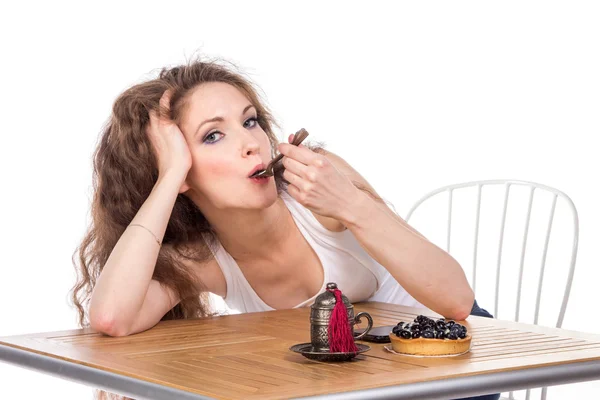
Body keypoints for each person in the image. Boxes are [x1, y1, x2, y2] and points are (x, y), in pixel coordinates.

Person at [71, 58, 498, 400]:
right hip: (361, 382)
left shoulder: (318, 188)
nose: (251, 143)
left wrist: (350, 203)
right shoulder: (203, 261)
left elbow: (458, 300)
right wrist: (169, 180)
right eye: (214, 135)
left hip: (451, 361)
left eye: (250, 120)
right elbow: (111, 317)